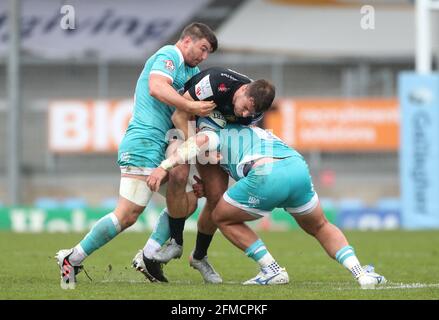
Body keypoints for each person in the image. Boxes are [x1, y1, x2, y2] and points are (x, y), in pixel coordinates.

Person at [54, 22, 218, 289]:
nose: (204, 56)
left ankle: (149, 254)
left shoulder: (193, 71)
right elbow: (156, 87)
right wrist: (190, 105)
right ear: (187, 40)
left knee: (187, 201)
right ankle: (72, 258)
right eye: (202, 48)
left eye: (208, 52)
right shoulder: (169, 55)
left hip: (164, 145)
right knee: (128, 214)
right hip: (144, 141)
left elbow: (185, 120)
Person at [146, 123, 387, 288]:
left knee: (220, 215)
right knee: (321, 226)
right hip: (296, 167)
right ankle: (361, 274)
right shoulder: (253, 132)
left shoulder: (217, 132)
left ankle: (271, 269)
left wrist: (164, 166)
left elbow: (195, 144)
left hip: (267, 174)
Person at [133, 67, 276, 284]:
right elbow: (180, 114)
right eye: (245, 107)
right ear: (244, 90)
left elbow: (236, 139)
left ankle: (199, 257)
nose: (246, 114)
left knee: (217, 198)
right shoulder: (217, 82)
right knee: (179, 171)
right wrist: (199, 151)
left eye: (251, 113)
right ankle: (176, 242)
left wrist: (214, 156)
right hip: (184, 128)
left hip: (214, 140)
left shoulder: (256, 111)